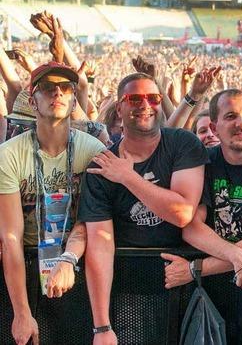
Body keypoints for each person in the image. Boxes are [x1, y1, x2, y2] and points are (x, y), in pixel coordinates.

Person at [79, 72, 209, 344]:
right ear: (120, 108)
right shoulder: (101, 168)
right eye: (134, 98)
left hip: (186, 282)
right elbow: (100, 245)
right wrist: (102, 327)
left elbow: (183, 214)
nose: (145, 104)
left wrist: (128, 176)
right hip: (130, 290)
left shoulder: (183, 144)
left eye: (153, 98)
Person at [0, 61, 105, 345]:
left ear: (74, 100)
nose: (57, 93)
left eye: (65, 88)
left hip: (76, 266)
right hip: (24, 267)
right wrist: (21, 312)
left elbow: (92, 219)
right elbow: (11, 236)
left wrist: (69, 258)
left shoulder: (94, 151)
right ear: (33, 102)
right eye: (47, 88)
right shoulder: (9, 155)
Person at [163, 89, 242, 294]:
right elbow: (191, 228)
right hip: (204, 291)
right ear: (214, 128)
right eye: (231, 116)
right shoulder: (202, 163)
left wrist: (196, 268)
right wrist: (237, 256)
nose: (241, 123)